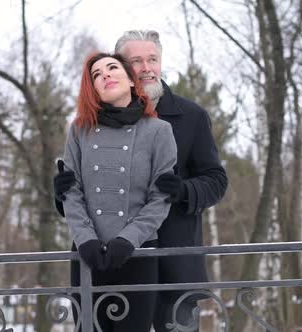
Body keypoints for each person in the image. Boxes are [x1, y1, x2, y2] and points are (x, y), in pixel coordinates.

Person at [55, 30, 228, 331]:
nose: (147, 67)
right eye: (137, 60)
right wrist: (61, 195)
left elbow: (216, 180)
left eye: (153, 59)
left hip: (173, 263)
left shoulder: (191, 116)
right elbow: (86, 194)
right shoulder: (86, 129)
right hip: (108, 263)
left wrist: (183, 190)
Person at [63, 51, 177, 331]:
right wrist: (85, 239)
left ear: (129, 80)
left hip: (138, 254)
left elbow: (160, 197)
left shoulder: (159, 131)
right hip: (89, 254)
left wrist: (129, 239)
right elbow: (70, 191)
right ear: (93, 90)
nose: (105, 75)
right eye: (96, 75)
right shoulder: (79, 131)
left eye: (112, 68)